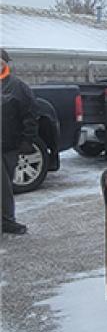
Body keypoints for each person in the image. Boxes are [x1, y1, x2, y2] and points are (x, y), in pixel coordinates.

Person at [1, 49, 39, 235]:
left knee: (4, 185)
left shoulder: (17, 86)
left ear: (6, 63)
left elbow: (30, 115)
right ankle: (7, 220)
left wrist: (27, 139)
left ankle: (7, 221)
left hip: (7, 145)